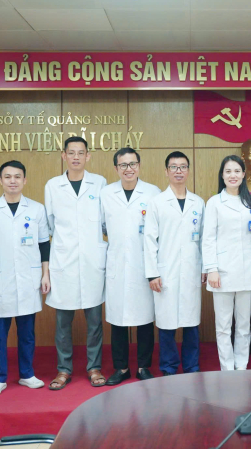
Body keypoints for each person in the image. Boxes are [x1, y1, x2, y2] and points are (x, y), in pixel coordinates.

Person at [0, 160, 50, 396]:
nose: (13, 181)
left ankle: (27, 374)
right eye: (7, 177)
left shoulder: (36, 209)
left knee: (27, 333)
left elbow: (44, 244)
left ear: (25, 180)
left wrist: (45, 274)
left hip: (29, 278)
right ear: (0, 181)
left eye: (17, 176)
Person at [44, 137, 108, 390]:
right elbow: (49, 224)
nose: (76, 157)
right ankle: (63, 369)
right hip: (64, 261)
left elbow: (105, 221)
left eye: (81, 153)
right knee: (62, 323)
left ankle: (94, 367)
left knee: (95, 321)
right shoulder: (53, 185)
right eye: (71, 153)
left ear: (88, 156)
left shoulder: (99, 183)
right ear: (64, 156)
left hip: (92, 261)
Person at [202, 155, 251, 370]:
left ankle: (241, 366)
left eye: (237, 171)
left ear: (243, 174)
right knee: (223, 326)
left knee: (243, 325)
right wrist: (211, 269)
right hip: (221, 272)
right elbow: (208, 239)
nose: (233, 175)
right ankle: (227, 368)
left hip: (247, 270)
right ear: (222, 175)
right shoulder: (214, 203)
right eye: (228, 171)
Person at [101, 148, 160, 385]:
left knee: (145, 319)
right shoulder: (106, 193)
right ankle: (121, 368)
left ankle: (144, 367)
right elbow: (102, 227)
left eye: (133, 164)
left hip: (144, 264)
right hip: (117, 263)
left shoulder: (153, 192)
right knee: (118, 319)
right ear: (116, 168)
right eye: (123, 165)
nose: (129, 169)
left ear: (139, 166)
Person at [145, 151, 206, 375]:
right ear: (166, 171)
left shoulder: (198, 202)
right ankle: (169, 367)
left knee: (191, 322)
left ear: (188, 171)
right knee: (166, 322)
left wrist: (205, 268)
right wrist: (152, 273)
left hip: (191, 269)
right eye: (174, 167)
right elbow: (149, 240)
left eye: (183, 167)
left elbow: (204, 239)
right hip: (165, 271)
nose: (178, 171)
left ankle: (191, 366)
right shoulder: (157, 202)